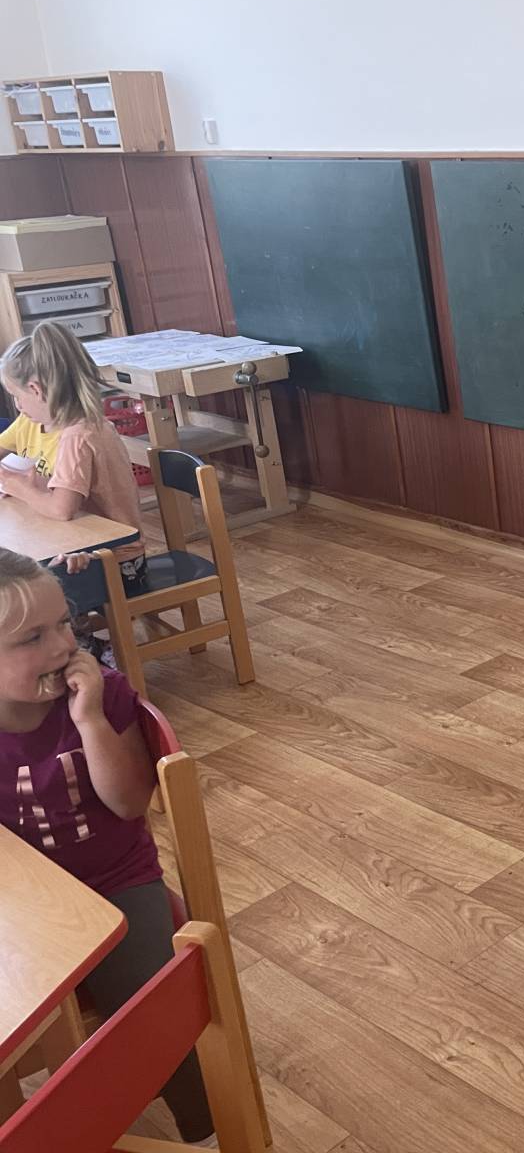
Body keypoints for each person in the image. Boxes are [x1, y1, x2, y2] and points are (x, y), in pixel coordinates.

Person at [0, 548, 211, 1141]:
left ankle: (204, 1122)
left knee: (150, 1003)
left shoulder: (104, 692)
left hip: (115, 880)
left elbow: (128, 803)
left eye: (63, 623)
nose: (62, 646)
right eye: (32, 637)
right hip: (23, 900)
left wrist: (90, 719)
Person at [0, 323, 146, 624]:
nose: (17, 405)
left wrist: (17, 485)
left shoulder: (78, 436)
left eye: (16, 396)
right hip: (78, 548)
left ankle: (83, 643)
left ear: (36, 390)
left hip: (113, 562)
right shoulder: (44, 422)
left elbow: (61, 510)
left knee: (25, 592)